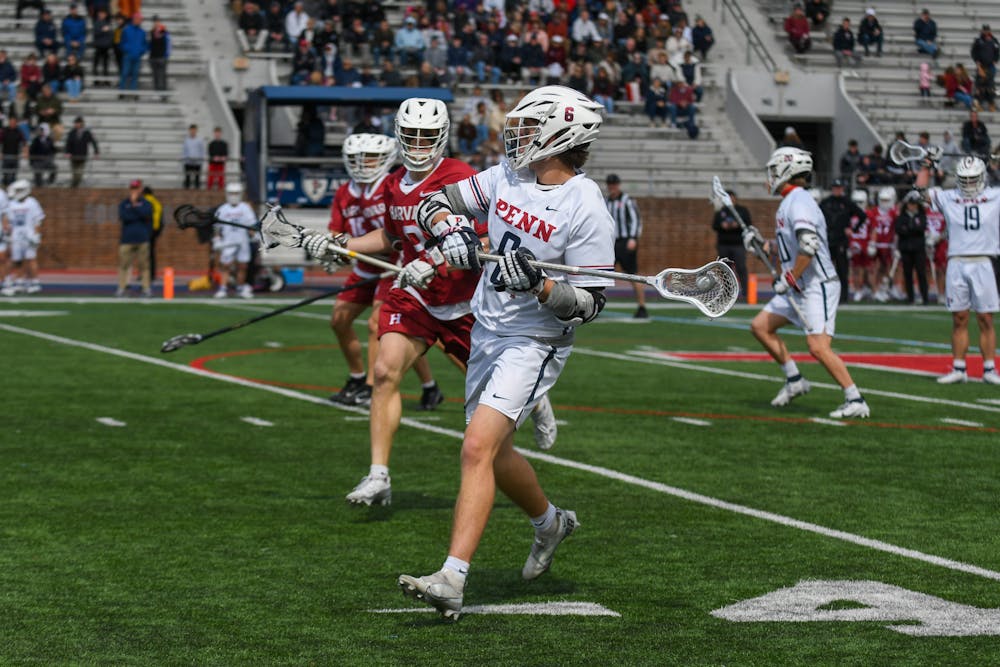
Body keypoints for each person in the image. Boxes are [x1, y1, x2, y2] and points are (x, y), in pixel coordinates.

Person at [394, 85, 614, 620]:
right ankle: (551, 523)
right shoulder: (508, 176)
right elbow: (434, 202)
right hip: (487, 329)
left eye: (528, 126)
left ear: (560, 135)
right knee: (497, 452)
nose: (515, 135)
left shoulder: (585, 205)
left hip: (535, 342)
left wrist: (539, 287)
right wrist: (450, 233)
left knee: (474, 448)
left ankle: (453, 576)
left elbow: (589, 304)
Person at [302, 98, 559, 507]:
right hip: (416, 294)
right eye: (412, 135)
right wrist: (342, 245)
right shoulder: (392, 184)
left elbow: (492, 234)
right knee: (385, 371)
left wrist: (436, 259)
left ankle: (537, 398)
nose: (419, 143)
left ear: (441, 137)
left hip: (468, 299)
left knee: (491, 385)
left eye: (427, 135)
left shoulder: (461, 176)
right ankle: (378, 474)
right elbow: (390, 239)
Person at [745, 147, 871, 418]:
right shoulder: (790, 202)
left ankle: (855, 398)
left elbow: (809, 246)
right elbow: (792, 248)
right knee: (760, 327)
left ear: (787, 171)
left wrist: (788, 279)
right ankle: (794, 380)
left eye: (774, 170)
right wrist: (763, 246)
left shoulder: (799, 201)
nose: (771, 176)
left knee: (817, 347)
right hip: (799, 284)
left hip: (817, 285)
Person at [323, 133, 443, 409]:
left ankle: (370, 387)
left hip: (395, 266)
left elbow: (395, 235)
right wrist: (331, 249)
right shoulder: (345, 193)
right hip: (366, 266)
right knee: (339, 320)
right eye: (357, 158)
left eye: (370, 157)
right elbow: (337, 233)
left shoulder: (390, 186)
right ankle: (358, 378)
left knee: (382, 326)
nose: (363, 163)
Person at [916, 157, 1000, 385]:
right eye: (965, 179)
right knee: (959, 318)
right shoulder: (949, 196)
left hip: (984, 261)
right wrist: (926, 165)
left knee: (985, 318)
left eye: (973, 179)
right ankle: (959, 367)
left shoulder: (995, 195)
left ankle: (990, 368)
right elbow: (921, 192)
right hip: (957, 261)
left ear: (982, 177)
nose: (970, 184)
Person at [605, 173, 646, 317]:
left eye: (614, 184)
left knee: (632, 274)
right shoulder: (606, 201)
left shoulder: (627, 200)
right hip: (611, 243)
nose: (612, 187)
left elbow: (636, 220)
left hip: (626, 241)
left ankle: (642, 307)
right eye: (610, 185)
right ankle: (596, 304)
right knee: (602, 273)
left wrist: (633, 238)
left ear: (618, 185)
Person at [819, 179, 866, 303]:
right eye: (835, 188)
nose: (837, 190)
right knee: (825, 270)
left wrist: (853, 229)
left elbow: (862, 215)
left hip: (841, 241)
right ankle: (826, 295)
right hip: (827, 240)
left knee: (842, 270)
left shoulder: (847, 202)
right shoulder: (825, 202)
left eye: (839, 188)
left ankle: (843, 297)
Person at [212, 182, 256, 299]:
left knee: (242, 266)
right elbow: (217, 227)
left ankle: (240, 288)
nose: (233, 196)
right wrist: (217, 239)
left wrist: (255, 235)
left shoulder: (245, 208)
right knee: (226, 266)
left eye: (236, 193)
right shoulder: (222, 209)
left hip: (242, 241)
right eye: (231, 193)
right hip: (228, 242)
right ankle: (223, 288)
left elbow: (251, 225)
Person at [1, 180, 44, 296]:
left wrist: (36, 235)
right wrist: (8, 233)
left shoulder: (32, 202)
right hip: (15, 235)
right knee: (17, 260)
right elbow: (7, 220)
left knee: (31, 259)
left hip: (29, 235)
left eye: (19, 190)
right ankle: (19, 281)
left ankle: (34, 282)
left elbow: (38, 220)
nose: (16, 193)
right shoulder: (11, 204)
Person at [117, 179, 153, 298]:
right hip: (127, 239)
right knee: (124, 265)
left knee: (144, 266)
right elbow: (124, 217)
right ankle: (122, 287)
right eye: (133, 188)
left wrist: (134, 207)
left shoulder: (146, 203)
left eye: (136, 188)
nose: (134, 191)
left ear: (141, 190)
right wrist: (134, 209)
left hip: (142, 238)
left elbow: (146, 214)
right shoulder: (124, 203)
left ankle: (146, 287)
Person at [895, 190, 930, 305]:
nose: (912, 206)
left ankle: (925, 297)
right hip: (906, 249)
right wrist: (913, 228)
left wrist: (909, 229)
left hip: (918, 248)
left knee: (921, 273)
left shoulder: (921, 215)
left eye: (914, 204)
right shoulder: (902, 216)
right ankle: (910, 297)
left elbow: (921, 228)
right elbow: (899, 229)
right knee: (907, 274)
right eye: (910, 204)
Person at [868, 186, 899, 302]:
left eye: (886, 200)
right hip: (877, 244)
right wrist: (872, 242)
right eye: (882, 200)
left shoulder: (894, 212)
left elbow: (896, 229)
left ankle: (884, 289)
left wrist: (896, 245)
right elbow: (873, 228)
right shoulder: (874, 212)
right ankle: (875, 291)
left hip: (889, 244)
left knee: (887, 269)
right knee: (875, 268)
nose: (884, 202)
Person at [64, 116, 99, 188]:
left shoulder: (86, 133)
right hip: (73, 156)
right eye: (76, 123)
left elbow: (93, 142)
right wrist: (67, 152)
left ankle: (73, 187)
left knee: (79, 174)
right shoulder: (72, 133)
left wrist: (96, 152)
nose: (76, 124)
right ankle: (74, 188)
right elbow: (68, 143)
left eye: (78, 123)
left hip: (82, 156)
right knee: (74, 173)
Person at [118, 11, 147, 91]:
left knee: (135, 75)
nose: (138, 20)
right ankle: (122, 91)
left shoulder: (142, 32)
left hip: (137, 57)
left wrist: (141, 51)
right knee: (124, 73)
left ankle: (133, 92)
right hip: (127, 56)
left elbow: (145, 44)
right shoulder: (126, 30)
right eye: (137, 19)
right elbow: (121, 42)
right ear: (133, 19)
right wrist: (127, 50)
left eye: (140, 19)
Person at [142, 185, 163, 282]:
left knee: (142, 253)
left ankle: (143, 274)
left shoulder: (143, 202)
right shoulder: (157, 203)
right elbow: (161, 220)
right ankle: (152, 274)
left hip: (144, 229)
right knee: (151, 253)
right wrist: (157, 231)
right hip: (154, 231)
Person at [1, 116, 28, 187]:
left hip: (15, 156)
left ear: (16, 123)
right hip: (6, 155)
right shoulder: (4, 131)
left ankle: (12, 187)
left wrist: (25, 152)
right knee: (5, 173)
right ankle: (5, 185)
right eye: (11, 122)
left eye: (14, 122)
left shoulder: (19, 131)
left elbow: (24, 142)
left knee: (13, 174)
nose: (12, 123)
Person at [28, 123, 56, 187]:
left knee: (54, 168)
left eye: (42, 131)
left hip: (47, 160)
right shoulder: (36, 140)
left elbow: (53, 150)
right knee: (38, 172)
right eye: (40, 131)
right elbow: (32, 151)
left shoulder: (49, 140)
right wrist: (32, 161)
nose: (41, 132)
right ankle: (39, 185)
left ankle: (50, 181)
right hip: (38, 161)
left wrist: (50, 156)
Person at [148, 15, 170, 93]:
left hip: (161, 57)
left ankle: (163, 93)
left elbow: (168, 43)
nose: (156, 23)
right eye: (154, 21)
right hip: (153, 57)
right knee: (155, 76)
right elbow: (150, 44)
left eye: (157, 21)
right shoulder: (151, 32)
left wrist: (166, 54)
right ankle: (157, 91)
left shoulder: (164, 31)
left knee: (162, 76)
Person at [182, 124, 205, 189]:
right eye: (191, 130)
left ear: (196, 131)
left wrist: (201, 160)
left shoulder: (200, 140)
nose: (193, 131)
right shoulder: (186, 140)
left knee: (197, 178)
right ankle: (186, 192)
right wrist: (184, 160)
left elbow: (202, 151)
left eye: (194, 130)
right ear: (189, 131)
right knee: (187, 178)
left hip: (197, 162)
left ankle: (197, 192)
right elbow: (184, 151)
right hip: (188, 162)